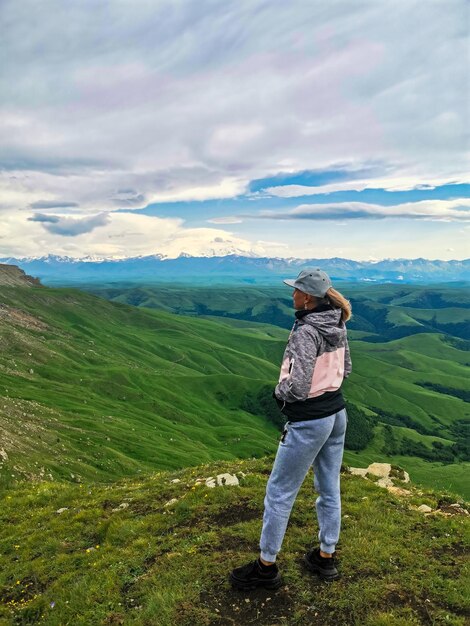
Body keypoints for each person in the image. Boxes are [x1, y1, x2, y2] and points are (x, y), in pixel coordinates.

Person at [230, 268, 352, 590]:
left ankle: (265, 568)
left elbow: (297, 387)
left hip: (310, 420)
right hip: (337, 413)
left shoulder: (305, 331)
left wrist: (277, 391)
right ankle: (325, 557)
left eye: (296, 290)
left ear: (308, 298)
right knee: (328, 487)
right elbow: (346, 369)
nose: (293, 294)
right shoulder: (337, 323)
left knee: (279, 493)